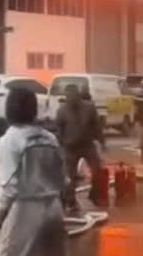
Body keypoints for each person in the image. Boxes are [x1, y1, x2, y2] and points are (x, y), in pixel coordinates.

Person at [0, 86, 67, 256]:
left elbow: (9, 189)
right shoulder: (50, 138)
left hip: (24, 212)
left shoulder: (9, 140)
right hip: (54, 210)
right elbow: (63, 179)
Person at [54, 84, 104, 214]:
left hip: (87, 145)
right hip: (70, 148)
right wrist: (60, 147)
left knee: (97, 170)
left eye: (73, 96)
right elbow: (58, 130)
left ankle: (94, 194)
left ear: (78, 96)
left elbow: (97, 126)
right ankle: (71, 201)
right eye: (68, 97)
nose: (70, 99)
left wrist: (101, 142)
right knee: (69, 177)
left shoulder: (89, 107)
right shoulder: (62, 111)